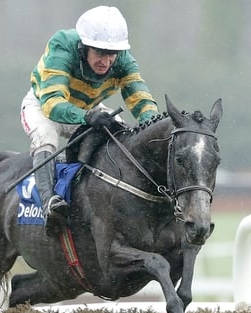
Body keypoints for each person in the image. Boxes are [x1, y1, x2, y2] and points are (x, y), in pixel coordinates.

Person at [20, 5, 160, 236]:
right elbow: (52, 103)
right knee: (45, 137)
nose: (106, 61)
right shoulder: (62, 45)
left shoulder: (123, 59)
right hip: (44, 106)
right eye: (99, 52)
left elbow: (140, 98)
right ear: (84, 46)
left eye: (111, 54)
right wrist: (87, 116)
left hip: (88, 109)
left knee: (122, 134)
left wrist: (154, 127)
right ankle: (49, 203)